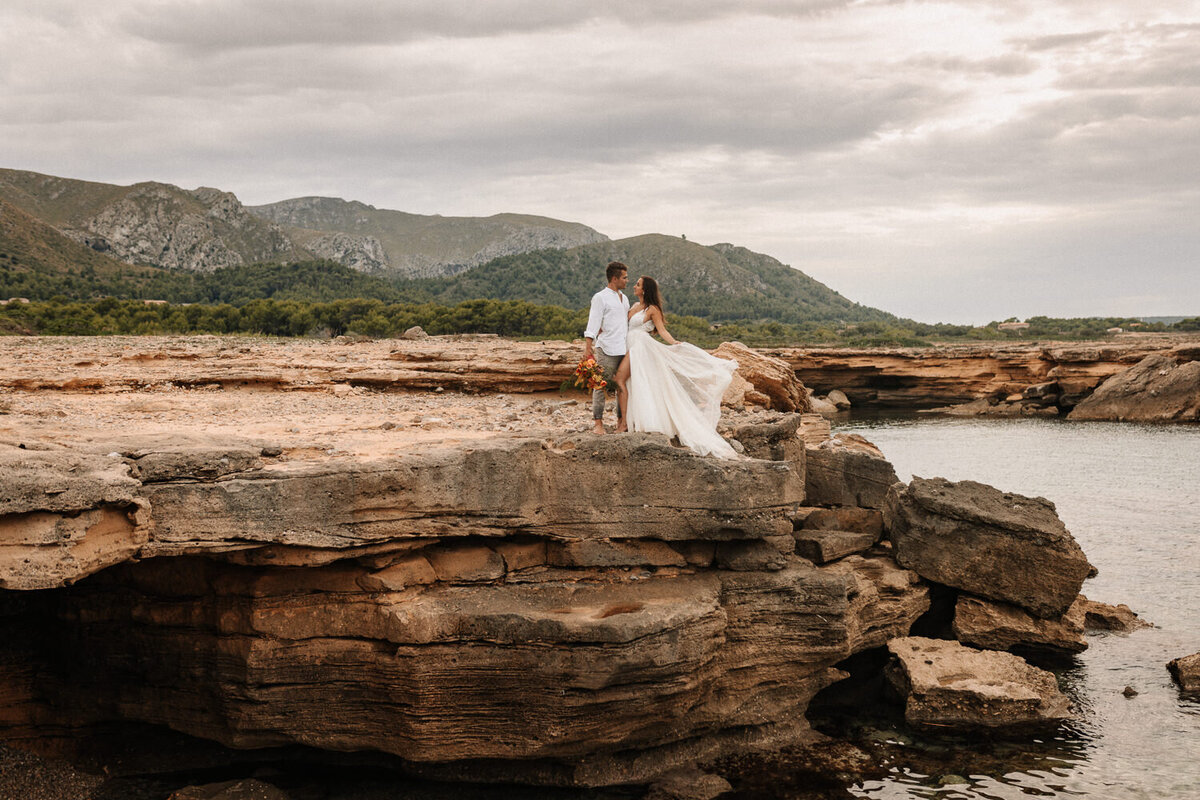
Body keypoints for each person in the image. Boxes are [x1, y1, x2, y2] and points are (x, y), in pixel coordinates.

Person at [613, 276, 739, 459]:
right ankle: (633, 421)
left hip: (640, 347)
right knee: (637, 384)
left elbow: (662, 330)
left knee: (619, 379)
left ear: (645, 289)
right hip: (629, 345)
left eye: (638, 284)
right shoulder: (633, 306)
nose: (634, 286)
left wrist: (674, 343)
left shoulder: (652, 309)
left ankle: (624, 423)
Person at [583, 261, 630, 434]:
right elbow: (593, 322)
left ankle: (621, 422)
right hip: (606, 348)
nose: (627, 281)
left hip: (623, 349)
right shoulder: (600, 297)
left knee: (621, 386)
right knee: (599, 386)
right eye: (624, 278)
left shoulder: (624, 298)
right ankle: (598, 423)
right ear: (614, 278)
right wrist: (588, 347)